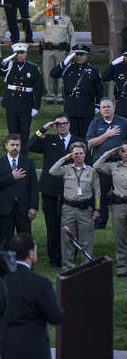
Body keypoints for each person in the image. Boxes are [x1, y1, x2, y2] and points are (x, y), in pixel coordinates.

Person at [26, 115, 80, 266]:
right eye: (58, 124)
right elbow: (30, 145)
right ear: (55, 126)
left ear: (69, 124)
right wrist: (43, 129)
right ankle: (54, 258)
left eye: (65, 123)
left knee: (71, 226)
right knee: (52, 225)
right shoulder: (49, 139)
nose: (62, 126)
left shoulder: (79, 141)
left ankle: (69, 256)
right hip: (50, 189)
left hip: (71, 191)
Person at [1, 233, 65, 359]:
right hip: (34, 350)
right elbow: (56, 317)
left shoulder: (0, 281)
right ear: (30, 253)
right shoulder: (40, 283)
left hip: (6, 349)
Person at [49, 142, 100, 269]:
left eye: (81, 153)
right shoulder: (66, 169)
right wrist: (65, 158)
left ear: (84, 154)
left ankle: (86, 267)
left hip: (85, 210)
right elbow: (52, 171)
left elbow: (97, 192)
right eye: (75, 153)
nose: (78, 156)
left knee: (86, 240)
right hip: (68, 209)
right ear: (72, 155)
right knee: (67, 240)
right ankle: (67, 267)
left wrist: (97, 208)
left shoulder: (91, 171)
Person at [86, 97, 127, 229]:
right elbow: (90, 143)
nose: (106, 109)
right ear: (100, 110)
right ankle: (100, 222)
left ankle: (123, 220)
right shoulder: (95, 123)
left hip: (119, 164)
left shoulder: (123, 122)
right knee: (100, 193)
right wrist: (106, 135)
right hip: (101, 164)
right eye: (103, 107)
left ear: (114, 108)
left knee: (122, 193)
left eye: (109, 106)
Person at [52, 44, 102, 137]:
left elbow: (99, 89)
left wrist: (98, 105)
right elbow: (54, 74)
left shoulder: (93, 70)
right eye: (77, 55)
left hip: (86, 105)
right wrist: (64, 62)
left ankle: (86, 151)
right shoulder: (68, 68)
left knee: (86, 134)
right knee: (71, 134)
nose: (79, 57)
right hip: (71, 105)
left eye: (81, 55)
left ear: (86, 56)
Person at [94, 144, 127, 277]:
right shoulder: (114, 166)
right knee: (120, 239)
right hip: (119, 206)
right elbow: (96, 166)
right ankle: (122, 269)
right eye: (123, 151)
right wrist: (109, 152)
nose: (125, 153)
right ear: (119, 153)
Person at [33, 0, 75, 102]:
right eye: (53, 5)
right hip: (48, 50)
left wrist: (72, 50)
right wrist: (44, 10)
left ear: (61, 6)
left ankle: (61, 95)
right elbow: (32, 20)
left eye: (57, 5)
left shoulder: (66, 19)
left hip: (62, 50)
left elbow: (72, 35)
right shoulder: (46, 18)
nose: (55, 7)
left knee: (62, 73)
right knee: (48, 73)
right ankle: (50, 95)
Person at [0, 42, 43, 136]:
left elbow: (39, 88)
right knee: (12, 130)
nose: (20, 55)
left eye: (22, 52)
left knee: (24, 131)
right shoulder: (10, 65)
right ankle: (12, 149)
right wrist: (5, 61)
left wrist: (36, 106)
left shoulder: (33, 68)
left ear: (26, 53)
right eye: (17, 53)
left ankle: (24, 150)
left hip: (25, 102)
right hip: (11, 102)